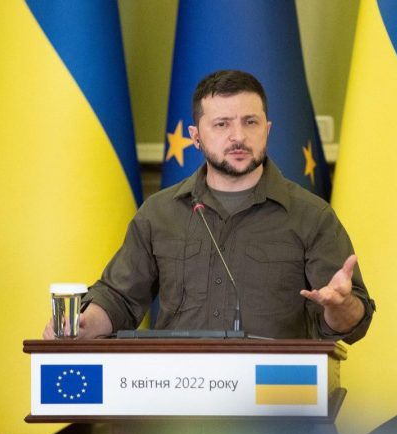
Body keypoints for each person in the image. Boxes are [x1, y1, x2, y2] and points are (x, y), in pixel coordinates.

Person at [43, 69, 375, 342]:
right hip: (176, 393)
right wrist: (84, 325)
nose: (238, 136)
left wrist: (341, 306)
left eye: (250, 122)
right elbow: (118, 297)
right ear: (195, 136)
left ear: (267, 129)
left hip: (274, 395)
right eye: (222, 124)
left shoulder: (312, 216)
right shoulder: (159, 214)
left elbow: (352, 322)